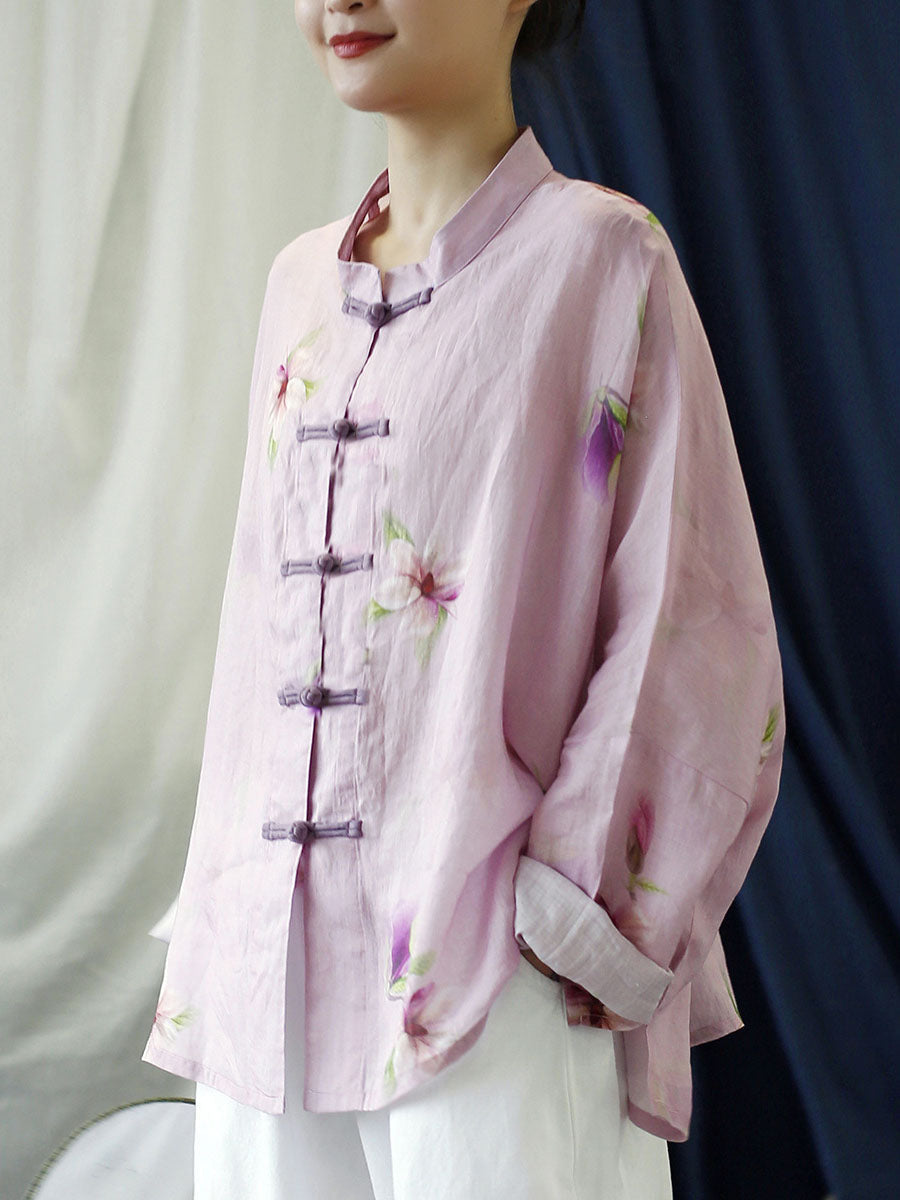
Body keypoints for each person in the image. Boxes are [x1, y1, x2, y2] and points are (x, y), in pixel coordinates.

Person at [141, 0, 786, 1196]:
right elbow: (257, 621)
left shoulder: (603, 257)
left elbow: (696, 627)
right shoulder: (298, 285)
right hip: (263, 971)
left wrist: (569, 913)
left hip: (495, 975)